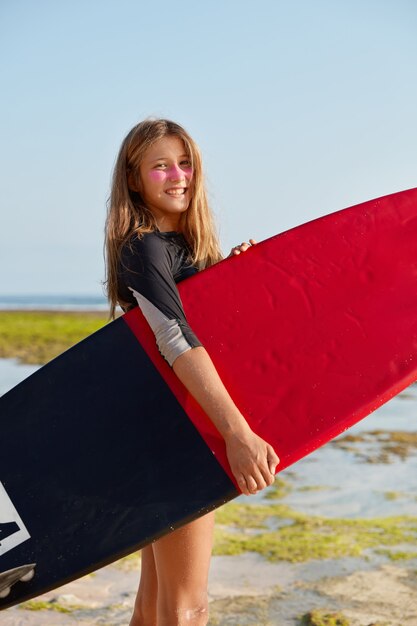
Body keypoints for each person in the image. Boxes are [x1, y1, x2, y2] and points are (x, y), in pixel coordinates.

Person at [104, 118, 279, 626]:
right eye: (160, 166)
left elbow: (211, 331)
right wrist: (238, 433)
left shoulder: (181, 251)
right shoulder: (143, 248)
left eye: (185, 163)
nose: (178, 175)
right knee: (187, 609)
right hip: (177, 438)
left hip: (162, 430)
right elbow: (175, 339)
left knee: (154, 605)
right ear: (135, 179)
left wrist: (229, 275)